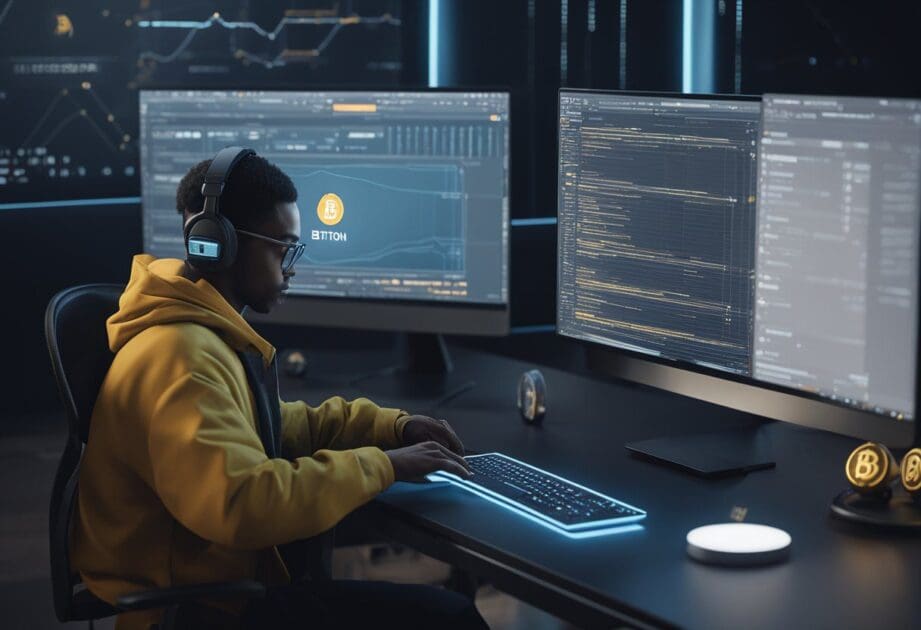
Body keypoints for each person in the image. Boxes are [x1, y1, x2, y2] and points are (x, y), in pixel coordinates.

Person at [71, 149, 487, 629]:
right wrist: (383, 465)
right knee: (450, 618)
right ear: (218, 243)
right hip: (193, 613)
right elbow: (241, 504)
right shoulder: (179, 358)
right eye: (281, 248)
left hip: (219, 592)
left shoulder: (198, 336)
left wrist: (392, 428)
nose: (290, 267)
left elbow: (275, 425)